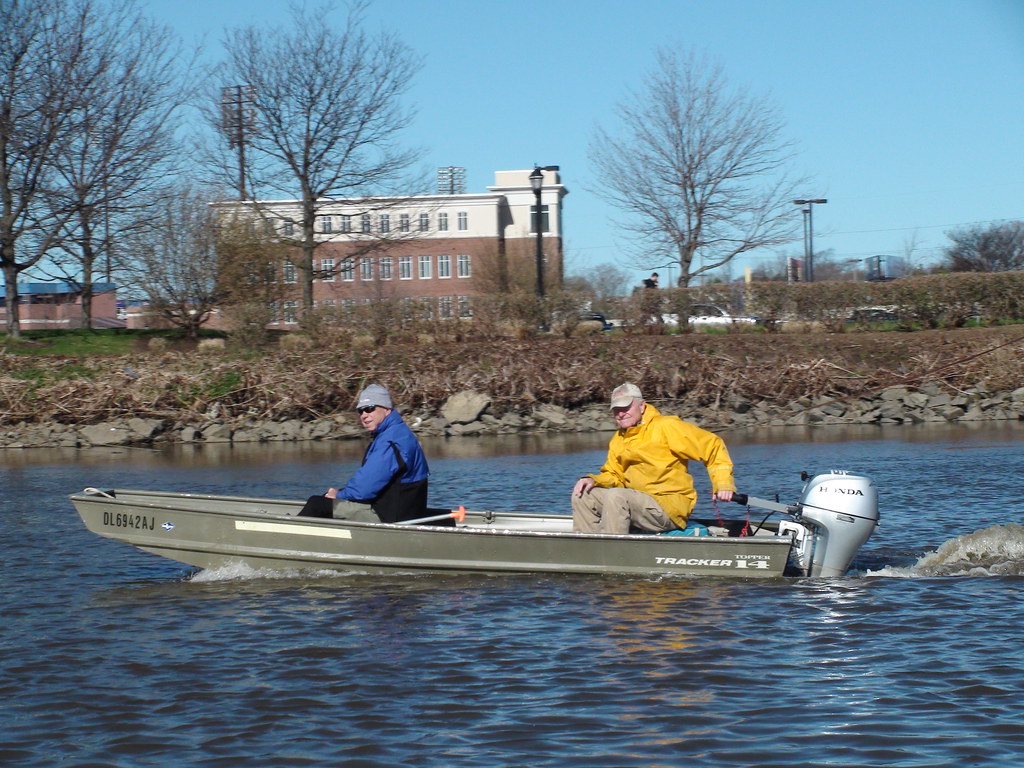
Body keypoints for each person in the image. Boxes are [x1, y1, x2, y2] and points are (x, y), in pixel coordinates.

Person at [571, 382, 736, 534]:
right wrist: (592, 480)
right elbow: (615, 475)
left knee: (616, 496)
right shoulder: (618, 439)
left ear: (642, 406)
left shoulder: (666, 426)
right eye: (616, 409)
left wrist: (723, 484)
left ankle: (615, 555)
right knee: (583, 494)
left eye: (626, 407)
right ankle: (590, 551)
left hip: (668, 507)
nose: (621, 414)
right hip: (636, 502)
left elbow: (713, 445)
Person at [297, 384, 429, 524]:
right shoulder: (398, 433)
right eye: (360, 411)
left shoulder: (389, 441)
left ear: (387, 410)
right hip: (402, 512)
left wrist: (339, 494)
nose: (364, 415)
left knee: (316, 504)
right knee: (327, 500)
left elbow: (364, 489)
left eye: (370, 408)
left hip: (388, 518)